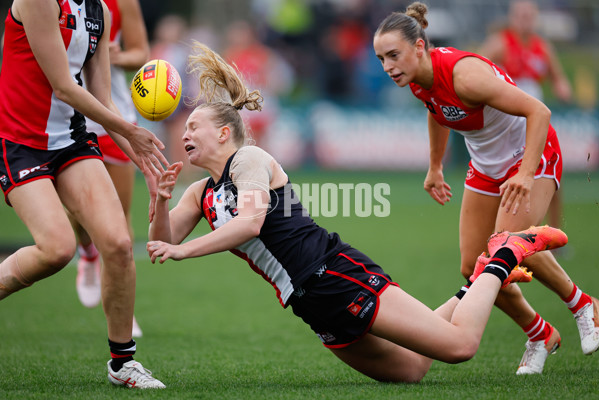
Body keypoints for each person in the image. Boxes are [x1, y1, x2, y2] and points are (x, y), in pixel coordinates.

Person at [146, 42, 568, 383]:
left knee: (460, 348)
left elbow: (250, 222)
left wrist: (188, 251)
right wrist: (161, 201)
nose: (183, 133)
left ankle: (504, 256)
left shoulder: (249, 159)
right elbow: (161, 242)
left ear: (223, 133)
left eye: (192, 127)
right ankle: (473, 289)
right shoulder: (200, 191)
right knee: (412, 369)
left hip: (333, 273)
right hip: (307, 301)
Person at [372, 2, 599, 375]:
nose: (387, 66)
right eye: (381, 58)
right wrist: (435, 166)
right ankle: (539, 332)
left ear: (419, 48)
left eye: (393, 55)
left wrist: (526, 174)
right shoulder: (415, 79)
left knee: (507, 245)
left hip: (529, 154)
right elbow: (437, 112)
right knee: (472, 266)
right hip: (487, 167)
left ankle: (584, 304)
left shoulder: (465, 77)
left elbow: (539, 112)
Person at [0, 0, 167, 388]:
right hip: (20, 145)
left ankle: (122, 364)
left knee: (119, 244)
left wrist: (145, 163)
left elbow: (103, 99)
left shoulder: (100, 12)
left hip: (71, 142)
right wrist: (132, 132)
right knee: (56, 249)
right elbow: (63, 85)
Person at [72, 0, 148, 338]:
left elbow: (141, 53)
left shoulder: (121, 3)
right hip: (70, 116)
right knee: (79, 211)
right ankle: (87, 252)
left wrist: (114, 55)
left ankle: (124, 315)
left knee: (120, 221)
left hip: (114, 114)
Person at [478, 0, 572, 243]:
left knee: (550, 177)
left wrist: (562, 87)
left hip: (537, 121)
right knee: (506, 175)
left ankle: (553, 234)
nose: (525, 19)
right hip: (508, 122)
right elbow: (475, 67)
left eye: (529, 15)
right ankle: (501, 233)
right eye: (521, 15)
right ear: (512, 17)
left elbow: (559, 79)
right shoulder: (500, 42)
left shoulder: (543, 47)